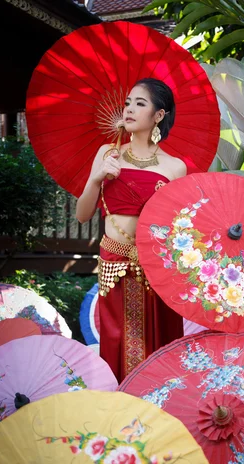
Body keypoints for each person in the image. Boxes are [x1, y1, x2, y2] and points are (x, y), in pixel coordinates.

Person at [76, 78, 186, 382]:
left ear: (158, 116)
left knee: (158, 341)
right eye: (127, 102)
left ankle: (158, 414)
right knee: (119, 342)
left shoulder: (175, 167)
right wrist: (97, 178)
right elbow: (82, 215)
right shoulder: (106, 154)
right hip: (115, 264)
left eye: (140, 103)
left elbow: (178, 227)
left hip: (155, 265)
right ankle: (121, 414)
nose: (129, 109)